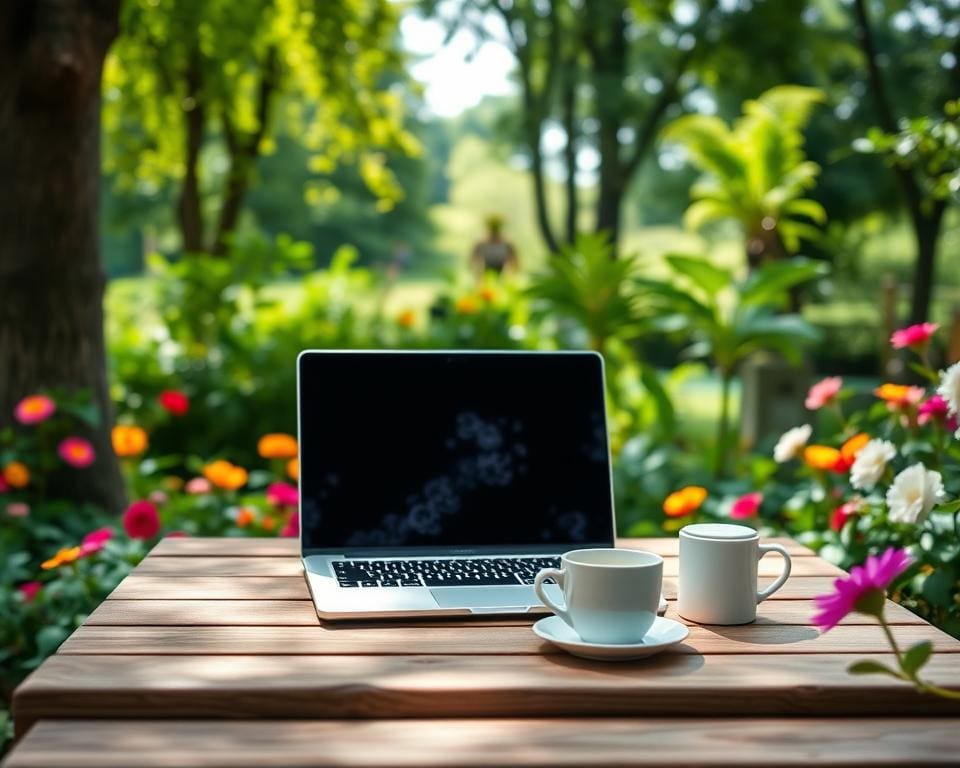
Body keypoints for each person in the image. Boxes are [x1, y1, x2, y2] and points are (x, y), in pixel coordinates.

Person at [470, 215, 517, 281]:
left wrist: (511, 275)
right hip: (485, 274)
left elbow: (515, 262)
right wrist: (477, 275)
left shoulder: (506, 243)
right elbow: (473, 260)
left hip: (503, 274)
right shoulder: (481, 243)